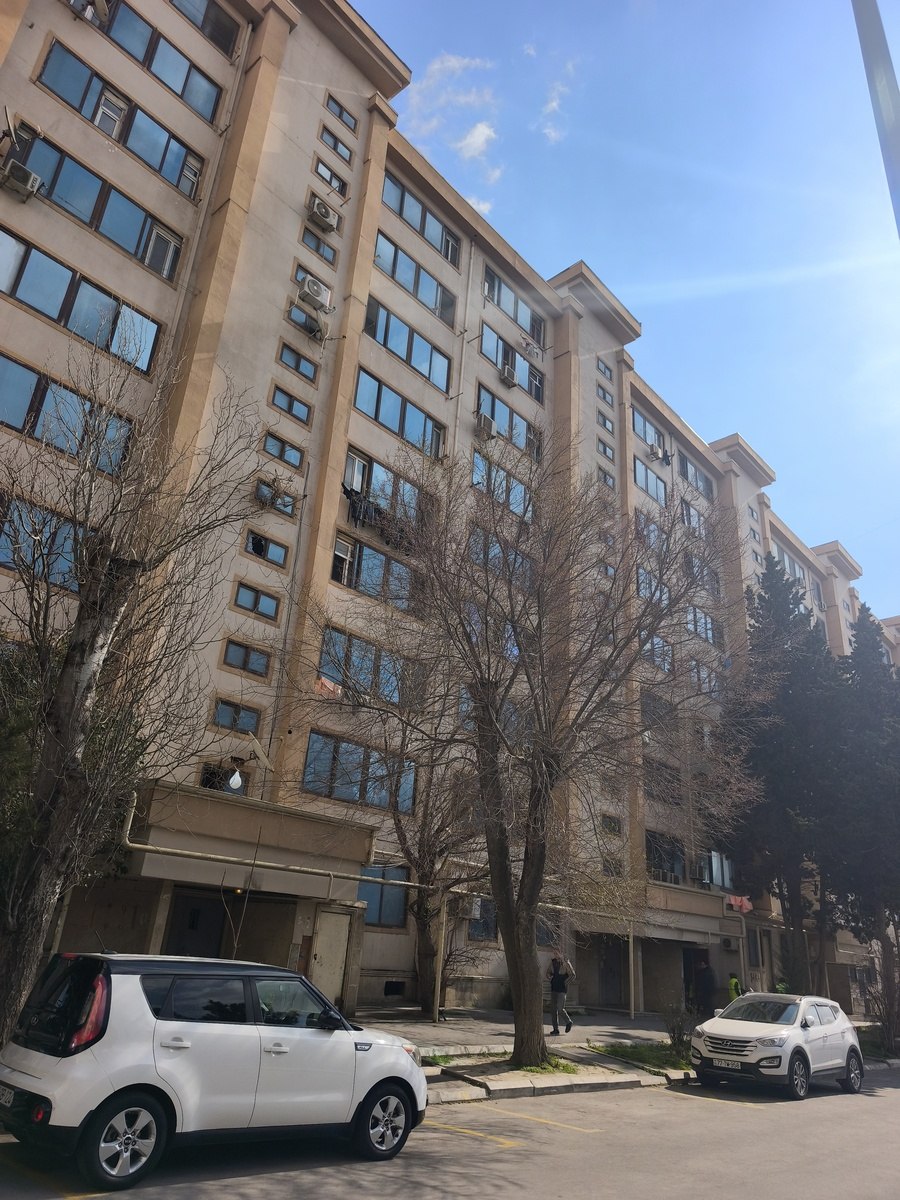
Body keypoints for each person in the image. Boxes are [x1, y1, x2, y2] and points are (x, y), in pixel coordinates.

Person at [547, 953, 575, 1035]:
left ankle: (568, 1022)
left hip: (562, 990)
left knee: (560, 1008)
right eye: (554, 953)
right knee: (553, 1010)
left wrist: (565, 983)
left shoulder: (566, 963)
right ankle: (555, 1029)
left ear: (561, 953)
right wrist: (550, 978)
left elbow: (573, 975)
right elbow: (548, 973)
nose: (555, 955)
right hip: (554, 988)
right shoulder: (552, 963)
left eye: (557, 953)